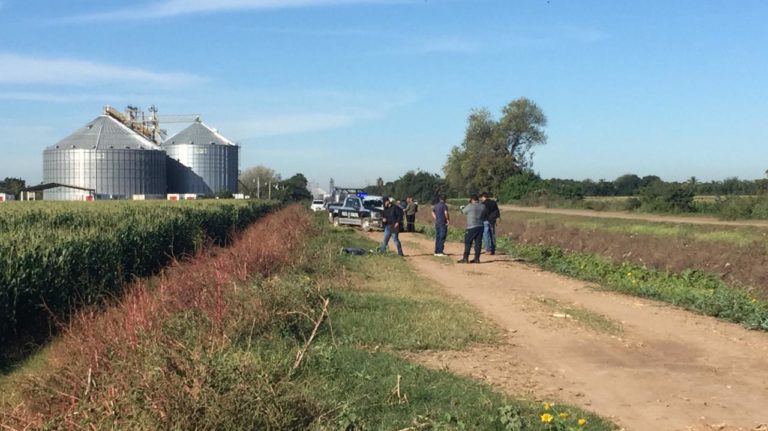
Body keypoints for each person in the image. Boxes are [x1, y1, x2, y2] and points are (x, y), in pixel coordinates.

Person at [458, 194, 485, 263]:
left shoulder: (470, 206)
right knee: (478, 243)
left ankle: (465, 258)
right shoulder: (482, 206)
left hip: (471, 226)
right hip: (480, 226)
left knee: (468, 242)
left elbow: (462, 212)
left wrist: (461, 208)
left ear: (471, 199)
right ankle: (477, 259)